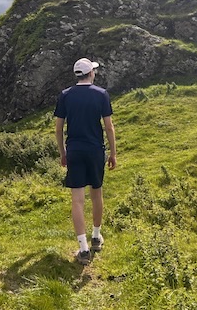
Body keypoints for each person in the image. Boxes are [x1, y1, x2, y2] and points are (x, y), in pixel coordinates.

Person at [54, 57, 117, 265]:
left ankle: (83, 249)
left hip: (74, 150)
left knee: (77, 200)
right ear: (91, 73)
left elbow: (58, 128)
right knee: (96, 194)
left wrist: (63, 152)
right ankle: (96, 237)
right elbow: (108, 127)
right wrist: (113, 153)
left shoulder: (65, 96)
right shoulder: (101, 95)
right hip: (95, 150)